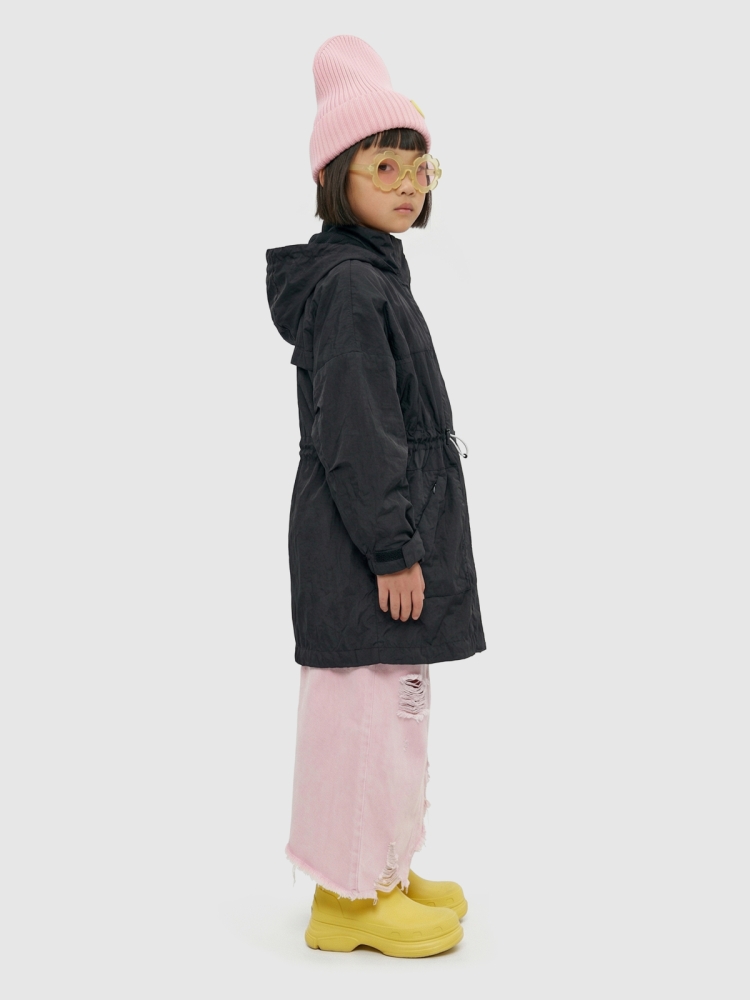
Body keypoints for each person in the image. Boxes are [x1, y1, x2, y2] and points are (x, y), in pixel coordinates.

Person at [266, 35, 486, 958]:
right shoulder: (354, 287)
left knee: (395, 710)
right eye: (382, 166)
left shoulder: (374, 272)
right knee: (365, 715)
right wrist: (394, 549)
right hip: (365, 546)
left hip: (382, 534)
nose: (406, 185)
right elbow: (359, 434)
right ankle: (349, 900)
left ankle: (385, 870)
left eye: (418, 166)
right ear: (333, 177)